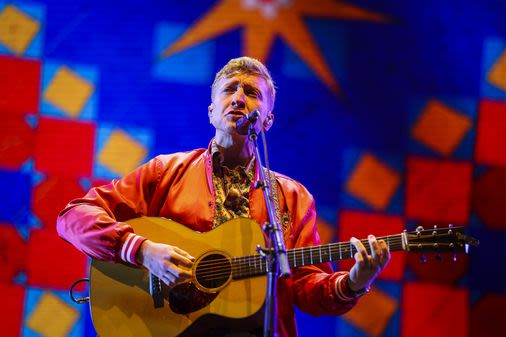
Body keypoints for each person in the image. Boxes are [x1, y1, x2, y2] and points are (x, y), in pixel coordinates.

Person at [57, 56, 390, 337]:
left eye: (252, 92)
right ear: (211, 112)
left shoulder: (293, 198)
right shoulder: (165, 172)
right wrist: (142, 250)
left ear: (268, 121)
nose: (239, 98)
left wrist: (353, 282)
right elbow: (73, 216)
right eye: (230, 89)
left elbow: (305, 288)